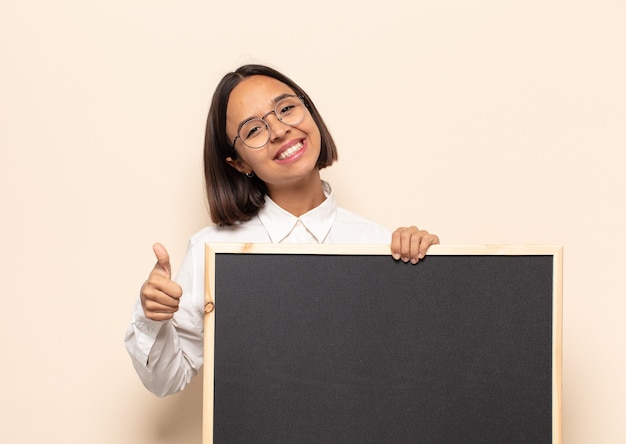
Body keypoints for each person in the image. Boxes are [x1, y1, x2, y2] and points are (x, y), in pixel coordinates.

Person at [124, 64, 440, 397]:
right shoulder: (212, 252)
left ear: (310, 113)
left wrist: (440, 275)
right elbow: (167, 382)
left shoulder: (380, 245)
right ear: (239, 163)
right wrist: (152, 319)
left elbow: (416, 372)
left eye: (286, 109)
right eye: (253, 130)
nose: (278, 131)